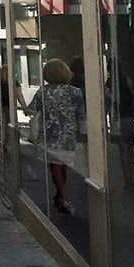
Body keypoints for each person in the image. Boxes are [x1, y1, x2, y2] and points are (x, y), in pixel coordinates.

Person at [25, 58, 85, 214]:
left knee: (55, 166)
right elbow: (81, 114)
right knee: (63, 164)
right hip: (69, 135)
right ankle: (61, 194)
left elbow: (31, 110)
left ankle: (62, 194)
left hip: (50, 134)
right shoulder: (75, 92)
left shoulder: (43, 92)